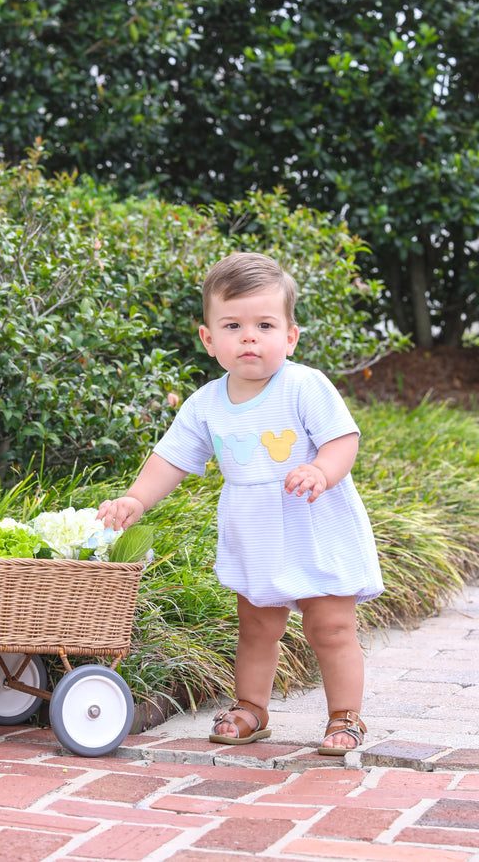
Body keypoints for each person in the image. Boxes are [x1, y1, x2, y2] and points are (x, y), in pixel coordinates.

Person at [97, 251, 384, 755]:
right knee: (256, 626)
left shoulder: (304, 385)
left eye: (265, 324)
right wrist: (136, 498)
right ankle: (251, 707)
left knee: (330, 626)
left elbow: (344, 440)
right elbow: (172, 458)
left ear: (290, 336)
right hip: (256, 536)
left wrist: (321, 470)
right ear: (210, 340)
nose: (249, 337)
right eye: (233, 325)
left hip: (316, 527)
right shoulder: (207, 403)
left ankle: (346, 716)